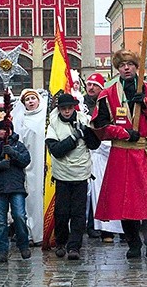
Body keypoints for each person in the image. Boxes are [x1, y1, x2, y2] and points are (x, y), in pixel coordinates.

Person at [92, 49, 147, 259]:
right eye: (122, 66)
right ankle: (133, 243)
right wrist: (121, 132)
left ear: (136, 67)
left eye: (130, 64)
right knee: (125, 203)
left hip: (144, 153)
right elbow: (98, 125)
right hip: (121, 153)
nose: (126, 68)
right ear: (118, 69)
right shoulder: (108, 94)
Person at [46, 93, 100, 260]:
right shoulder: (53, 124)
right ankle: (61, 241)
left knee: (78, 213)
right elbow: (56, 150)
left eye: (70, 108)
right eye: (64, 108)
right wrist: (73, 138)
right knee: (61, 213)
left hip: (81, 174)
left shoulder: (84, 119)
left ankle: (74, 246)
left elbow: (94, 144)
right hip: (62, 174)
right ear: (59, 109)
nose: (67, 111)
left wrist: (88, 133)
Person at [0, 119, 32, 263]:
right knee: (0, 221)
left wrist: (13, 153)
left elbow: (26, 160)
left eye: (7, 129)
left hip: (16, 187)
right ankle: (2, 249)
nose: (4, 132)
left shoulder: (18, 145)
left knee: (19, 215)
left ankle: (23, 244)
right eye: (2, 129)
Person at [82, 73, 122, 242]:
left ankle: (113, 227)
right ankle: (96, 226)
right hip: (89, 153)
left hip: (107, 150)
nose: (90, 88)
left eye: (94, 85)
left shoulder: (107, 102)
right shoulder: (81, 104)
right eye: (89, 85)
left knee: (110, 189)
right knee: (91, 192)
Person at [12, 88, 47, 246]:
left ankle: (44, 231)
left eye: (33, 98)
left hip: (43, 164)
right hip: (27, 165)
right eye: (27, 99)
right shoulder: (20, 120)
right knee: (29, 198)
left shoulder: (44, 118)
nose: (31, 101)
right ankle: (29, 232)